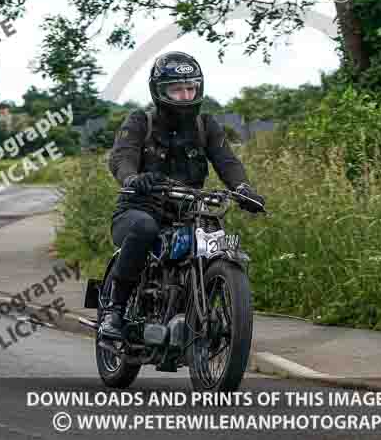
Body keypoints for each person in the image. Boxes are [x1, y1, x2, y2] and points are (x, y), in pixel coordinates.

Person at [101, 51, 266, 339]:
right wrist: (133, 178)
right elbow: (122, 156)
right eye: (177, 89)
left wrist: (242, 189)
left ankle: (199, 308)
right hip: (138, 208)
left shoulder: (205, 125)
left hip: (189, 211)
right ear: (159, 91)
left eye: (191, 88)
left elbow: (226, 160)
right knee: (145, 228)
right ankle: (115, 312)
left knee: (214, 240)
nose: (185, 95)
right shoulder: (140, 121)